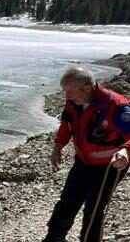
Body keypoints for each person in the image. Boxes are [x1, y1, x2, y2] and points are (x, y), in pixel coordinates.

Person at [43, 67, 130, 242]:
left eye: (68, 91)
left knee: (94, 209)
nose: (66, 95)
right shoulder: (74, 102)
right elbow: (66, 126)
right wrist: (57, 147)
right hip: (83, 161)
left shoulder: (116, 106)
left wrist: (125, 150)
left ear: (87, 88)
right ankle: (54, 238)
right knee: (67, 202)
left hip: (109, 166)